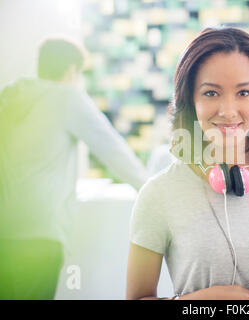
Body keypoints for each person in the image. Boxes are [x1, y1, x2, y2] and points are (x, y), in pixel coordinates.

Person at [126, 27, 249, 300]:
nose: (229, 111)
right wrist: (206, 300)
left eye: (243, 93)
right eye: (211, 93)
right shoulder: (159, 193)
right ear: (190, 99)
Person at [0, 36, 149, 299]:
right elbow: (113, 151)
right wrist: (153, 191)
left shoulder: (10, 98)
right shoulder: (66, 97)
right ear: (72, 70)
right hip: (39, 235)